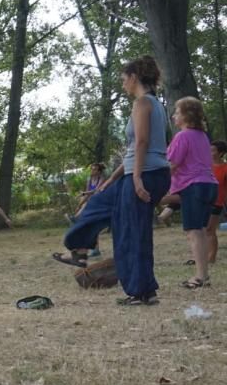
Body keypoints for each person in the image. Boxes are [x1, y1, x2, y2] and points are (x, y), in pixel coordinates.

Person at [52, 55, 170, 305]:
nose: (122, 84)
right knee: (97, 205)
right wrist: (110, 181)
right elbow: (131, 151)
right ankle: (80, 250)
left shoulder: (142, 104)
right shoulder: (156, 105)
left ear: (134, 77)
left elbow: (142, 143)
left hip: (145, 175)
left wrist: (136, 178)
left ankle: (141, 292)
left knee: (132, 233)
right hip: (140, 173)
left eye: (124, 79)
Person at [166, 98, 218, 288]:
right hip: (210, 185)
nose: (174, 116)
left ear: (187, 115)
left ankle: (201, 277)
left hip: (193, 187)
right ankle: (204, 274)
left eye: (177, 112)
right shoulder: (202, 136)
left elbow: (171, 164)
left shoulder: (182, 136)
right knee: (201, 231)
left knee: (194, 232)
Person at [208, 140, 227, 264]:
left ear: (221, 153)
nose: (210, 153)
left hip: (217, 202)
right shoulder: (205, 165)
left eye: (213, 151)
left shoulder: (225, 168)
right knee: (202, 230)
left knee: (209, 230)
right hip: (203, 201)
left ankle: (211, 259)